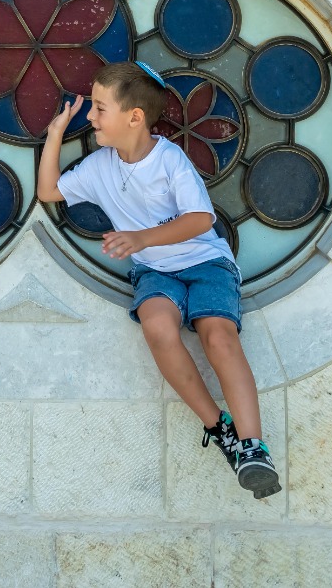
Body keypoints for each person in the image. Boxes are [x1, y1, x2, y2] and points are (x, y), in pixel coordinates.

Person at [35, 62, 281, 499]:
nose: (90, 117)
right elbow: (50, 192)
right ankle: (219, 427)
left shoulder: (169, 159)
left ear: (134, 118)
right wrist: (54, 134)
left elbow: (201, 218)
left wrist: (141, 237)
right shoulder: (100, 166)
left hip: (206, 262)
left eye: (98, 108)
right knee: (157, 326)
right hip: (154, 271)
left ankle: (254, 446)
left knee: (218, 335)